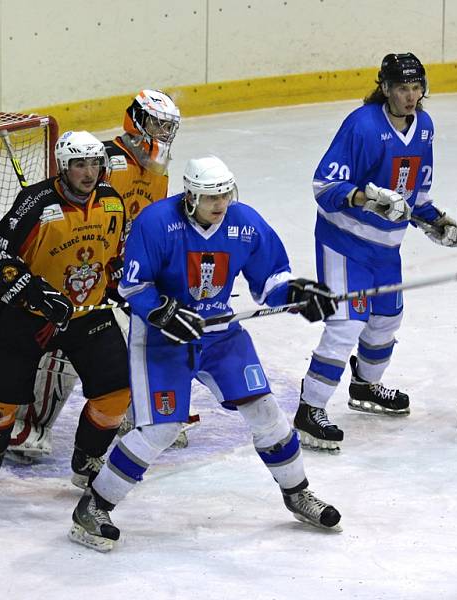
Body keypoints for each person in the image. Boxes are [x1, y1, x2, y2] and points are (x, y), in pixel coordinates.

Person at [68, 155, 342, 552]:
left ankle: (297, 493)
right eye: (211, 196)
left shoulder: (244, 223)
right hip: (163, 340)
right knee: (160, 429)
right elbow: (133, 286)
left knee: (266, 412)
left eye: (225, 194)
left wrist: (298, 294)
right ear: (190, 195)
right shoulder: (156, 223)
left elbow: (271, 282)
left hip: (220, 335)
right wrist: (163, 311)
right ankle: (93, 506)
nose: (220, 204)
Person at [7, 90, 186, 463]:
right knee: (69, 343)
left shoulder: (158, 167)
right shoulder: (108, 160)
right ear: (135, 120)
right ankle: (33, 423)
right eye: (156, 123)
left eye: (169, 125)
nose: (164, 132)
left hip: (136, 263)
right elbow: (74, 207)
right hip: (90, 265)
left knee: (152, 334)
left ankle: (143, 412)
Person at [294, 52, 457, 452]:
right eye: (402, 87)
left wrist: (434, 220)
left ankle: (366, 387)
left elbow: (414, 195)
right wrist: (363, 198)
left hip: (387, 247)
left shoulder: (424, 127)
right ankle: (309, 409)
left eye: (417, 86)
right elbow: (324, 186)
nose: (410, 95)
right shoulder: (361, 125)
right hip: (344, 243)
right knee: (346, 324)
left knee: (387, 318)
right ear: (384, 88)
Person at [0, 131, 131, 491]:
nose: (89, 172)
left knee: (116, 391)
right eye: (80, 164)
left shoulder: (112, 202)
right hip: (28, 317)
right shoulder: (34, 203)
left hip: (87, 314)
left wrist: (124, 286)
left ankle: (87, 458)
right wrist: (38, 294)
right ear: (63, 166)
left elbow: (115, 257)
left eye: (95, 163)